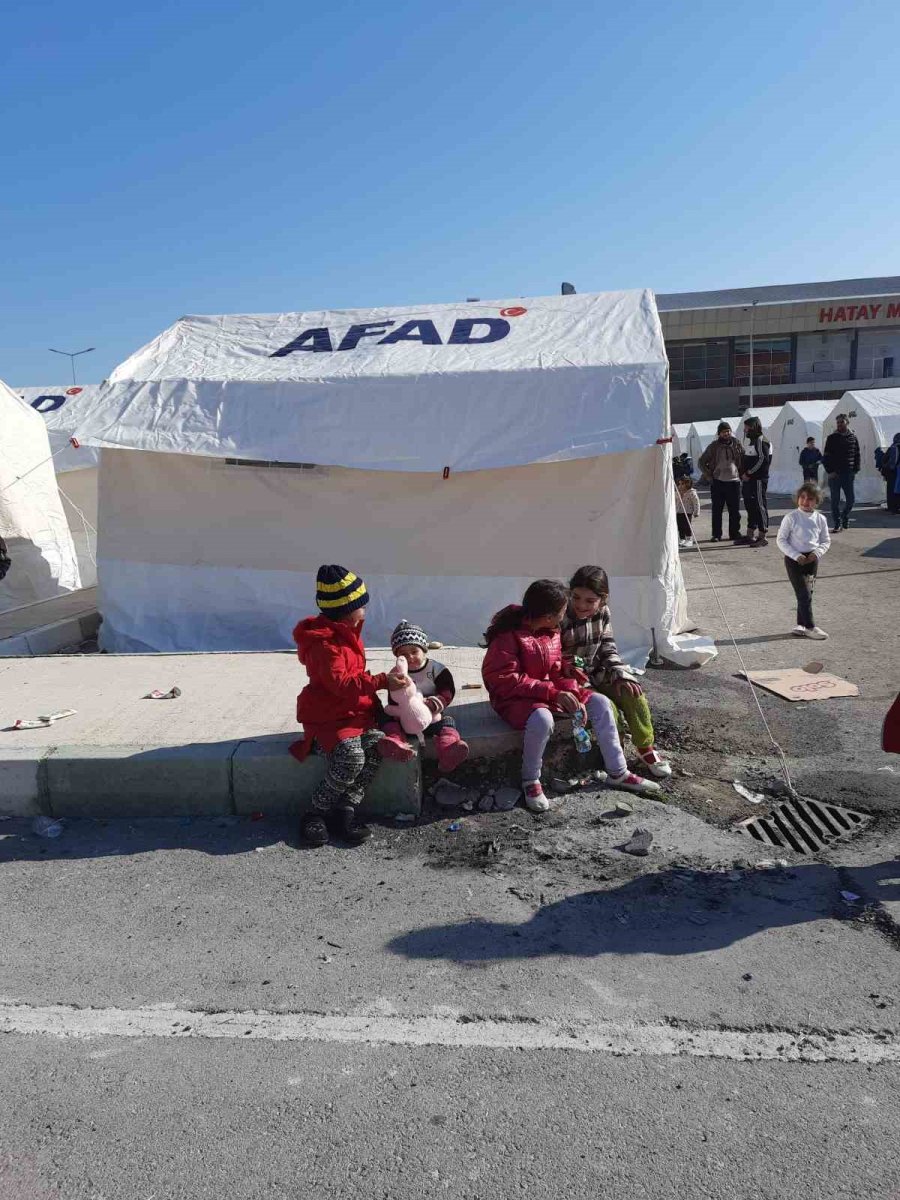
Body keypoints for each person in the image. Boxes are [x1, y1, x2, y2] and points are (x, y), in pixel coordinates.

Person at [481, 580, 660, 812]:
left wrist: (569, 678)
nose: (566, 615)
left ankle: (618, 771)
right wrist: (554, 693)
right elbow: (503, 680)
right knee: (542, 720)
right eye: (563, 611)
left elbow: (553, 668)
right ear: (548, 615)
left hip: (546, 693)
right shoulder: (508, 636)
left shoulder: (551, 631)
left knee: (600, 702)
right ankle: (531, 779)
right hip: (512, 699)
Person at [291, 564, 406, 847]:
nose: (365, 612)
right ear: (346, 610)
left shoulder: (348, 634)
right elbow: (342, 685)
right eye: (361, 607)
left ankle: (345, 809)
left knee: (377, 745)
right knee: (352, 757)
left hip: (353, 715)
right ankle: (314, 813)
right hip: (328, 720)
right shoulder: (325, 645)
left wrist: (377, 708)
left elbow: (355, 680)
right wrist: (382, 681)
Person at [561, 565, 672, 780]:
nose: (581, 605)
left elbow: (607, 647)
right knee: (608, 707)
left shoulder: (603, 613)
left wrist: (620, 673)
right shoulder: (561, 615)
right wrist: (573, 670)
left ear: (603, 600)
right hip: (573, 679)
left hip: (598, 670)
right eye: (576, 597)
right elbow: (555, 656)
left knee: (632, 691)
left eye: (589, 601)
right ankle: (616, 753)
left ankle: (645, 748)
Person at [378, 619, 470, 772]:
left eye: (414, 652)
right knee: (385, 717)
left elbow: (447, 692)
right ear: (397, 656)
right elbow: (393, 697)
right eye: (404, 654)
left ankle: (449, 748)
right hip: (405, 719)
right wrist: (399, 712)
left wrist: (433, 705)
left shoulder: (436, 669)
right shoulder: (397, 673)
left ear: (424, 649)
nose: (410, 657)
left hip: (431, 715)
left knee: (447, 721)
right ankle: (395, 742)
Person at [775, 484, 831, 640]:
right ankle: (811, 626)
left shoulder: (820, 519)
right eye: (803, 497)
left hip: (812, 561)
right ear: (798, 498)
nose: (805, 501)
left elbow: (825, 541)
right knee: (803, 593)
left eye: (810, 499)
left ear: (817, 501)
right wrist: (795, 555)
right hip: (794, 561)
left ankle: (800, 625)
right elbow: (781, 540)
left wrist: (816, 553)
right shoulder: (791, 517)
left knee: (808, 594)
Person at [698, 422, 744, 543]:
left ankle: (735, 533)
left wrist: (742, 473)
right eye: (724, 432)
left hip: (734, 481)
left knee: (734, 510)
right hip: (718, 481)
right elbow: (701, 461)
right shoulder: (714, 446)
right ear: (719, 433)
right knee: (717, 510)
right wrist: (708, 476)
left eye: (728, 431)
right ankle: (716, 534)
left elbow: (743, 458)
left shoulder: (737, 444)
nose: (726, 433)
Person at [822, 413, 861, 533]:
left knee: (851, 500)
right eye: (838, 422)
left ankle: (845, 516)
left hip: (848, 474)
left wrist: (855, 470)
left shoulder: (853, 438)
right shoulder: (832, 438)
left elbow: (857, 455)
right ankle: (837, 523)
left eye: (841, 422)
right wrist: (830, 471)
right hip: (835, 475)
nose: (839, 424)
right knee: (835, 501)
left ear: (847, 423)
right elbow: (826, 457)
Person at [740, 415, 772, 547]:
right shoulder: (752, 441)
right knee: (750, 505)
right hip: (749, 480)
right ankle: (750, 534)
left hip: (758, 479)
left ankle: (763, 534)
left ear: (754, 427)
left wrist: (749, 473)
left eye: (747, 428)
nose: (745, 430)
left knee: (760, 505)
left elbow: (763, 460)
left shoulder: (761, 440)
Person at [674, 475, 700, 547]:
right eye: (679, 484)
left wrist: (696, 512)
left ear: (687, 484)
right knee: (680, 526)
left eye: (682, 484)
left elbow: (696, 502)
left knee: (687, 525)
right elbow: (674, 501)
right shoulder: (677, 492)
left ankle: (689, 539)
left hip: (687, 512)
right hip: (678, 511)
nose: (680, 486)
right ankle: (682, 539)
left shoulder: (691, 493)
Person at [881, 432, 900, 515]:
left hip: (891, 471)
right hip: (895, 471)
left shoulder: (893, 446)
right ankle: (894, 508)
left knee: (891, 489)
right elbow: (894, 460)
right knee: (895, 489)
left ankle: (891, 507)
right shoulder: (896, 447)